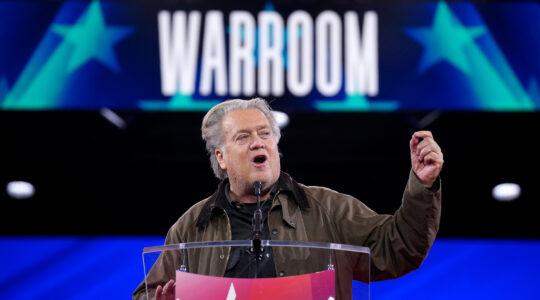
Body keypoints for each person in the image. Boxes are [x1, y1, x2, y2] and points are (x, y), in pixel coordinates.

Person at [133, 98, 443, 300]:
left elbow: (399, 248)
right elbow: (146, 295)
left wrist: (422, 185)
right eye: (243, 137)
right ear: (221, 157)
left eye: (265, 133)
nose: (259, 142)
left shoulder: (327, 209)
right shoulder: (191, 227)